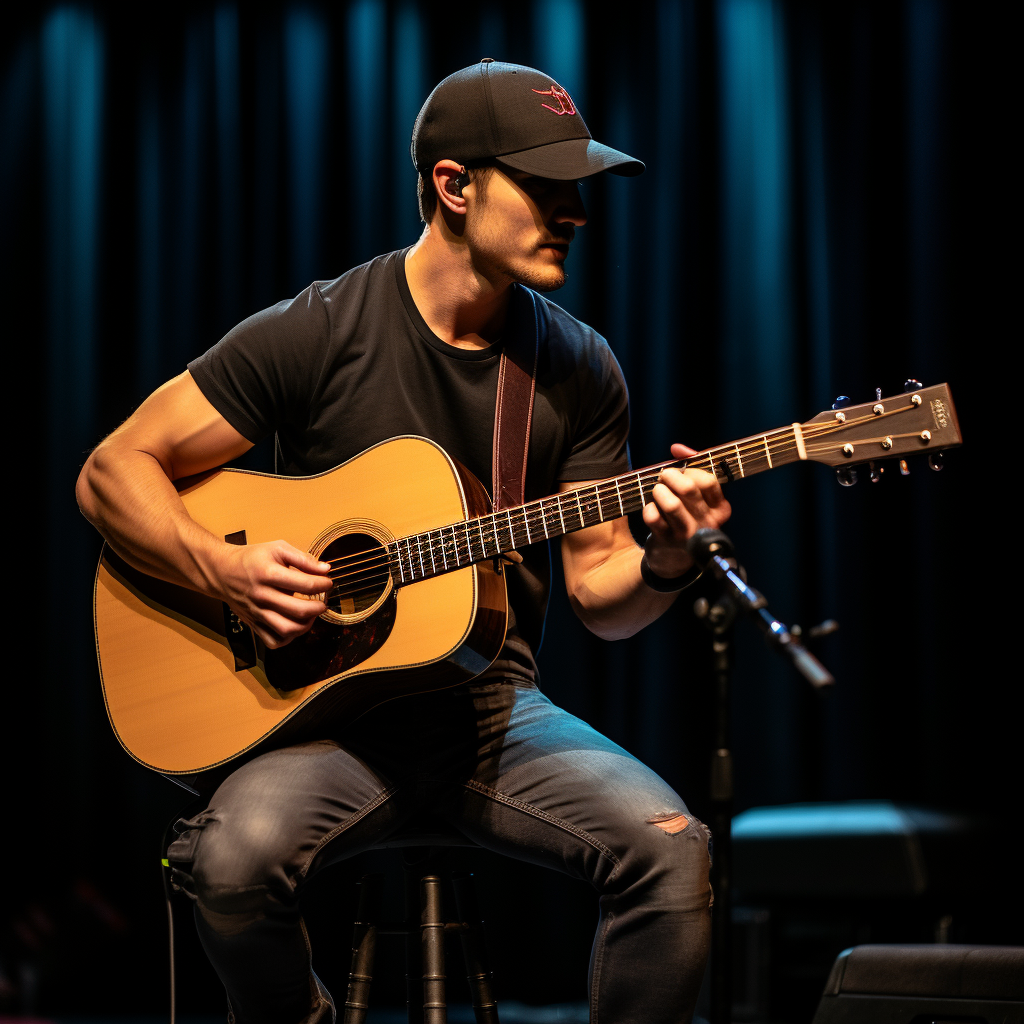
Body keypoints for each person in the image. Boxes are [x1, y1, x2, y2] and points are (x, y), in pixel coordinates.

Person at [77, 60, 731, 1024]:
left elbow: (600, 592)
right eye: (547, 188)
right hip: (328, 725)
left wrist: (672, 558)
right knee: (225, 863)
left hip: (492, 717)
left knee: (674, 851)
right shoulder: (322, 330)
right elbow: (112, 470)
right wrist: (225, 568)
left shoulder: (577, 364)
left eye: (579, 192)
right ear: (453, 186)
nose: (576, 214)